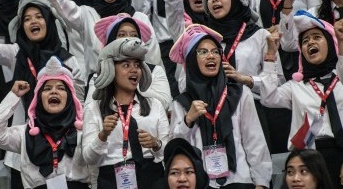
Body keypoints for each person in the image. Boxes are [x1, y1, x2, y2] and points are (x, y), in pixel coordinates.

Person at [169, 23, 272, 188]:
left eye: (215, 51)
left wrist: (261, 183)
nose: (211, 56)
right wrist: (188, 120)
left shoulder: (239, 93)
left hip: (240, 181)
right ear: (191, 61)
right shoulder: (182, 103)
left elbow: (255, 141)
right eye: (203, 52)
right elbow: (175, 150)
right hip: (202, 184)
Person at [260, 10, 343, 188]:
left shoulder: (341, 79)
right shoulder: (296, 86)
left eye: (316, 37)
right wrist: (270, 56)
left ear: (330, 42)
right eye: (305, 41)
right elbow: (268, 97)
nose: (310, 42)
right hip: (307, 157)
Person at [42, 0, 161, 82]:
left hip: (136, 87)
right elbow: (67, 8)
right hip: (97, 90)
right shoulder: (88, 14)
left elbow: (153, 58)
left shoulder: (140, 19)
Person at [0, 56, 89, 189]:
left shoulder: (83, 129)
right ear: (38, 99)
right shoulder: (26, 133)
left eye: (61, 88)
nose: (54, 91)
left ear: (70, 97)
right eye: (47, 88)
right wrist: (13, 96)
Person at [82, 37, 169, 189]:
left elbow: (167, 151)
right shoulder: (94, 108)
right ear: (110, 69)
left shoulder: (155, 105)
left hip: (152, 178)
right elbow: (89, 158)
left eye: (137, 65)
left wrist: (156, 144)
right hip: (111, 180)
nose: (134, 69)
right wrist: (102, 135)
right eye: (126, 65)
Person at [91, 13, 172, 110]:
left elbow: (165, 103)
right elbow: (91, 108)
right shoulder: (99, 74)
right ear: (111, 41)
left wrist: (131, 86)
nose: (129, 39)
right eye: (121, 35)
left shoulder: (155, 70)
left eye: (134, 35)